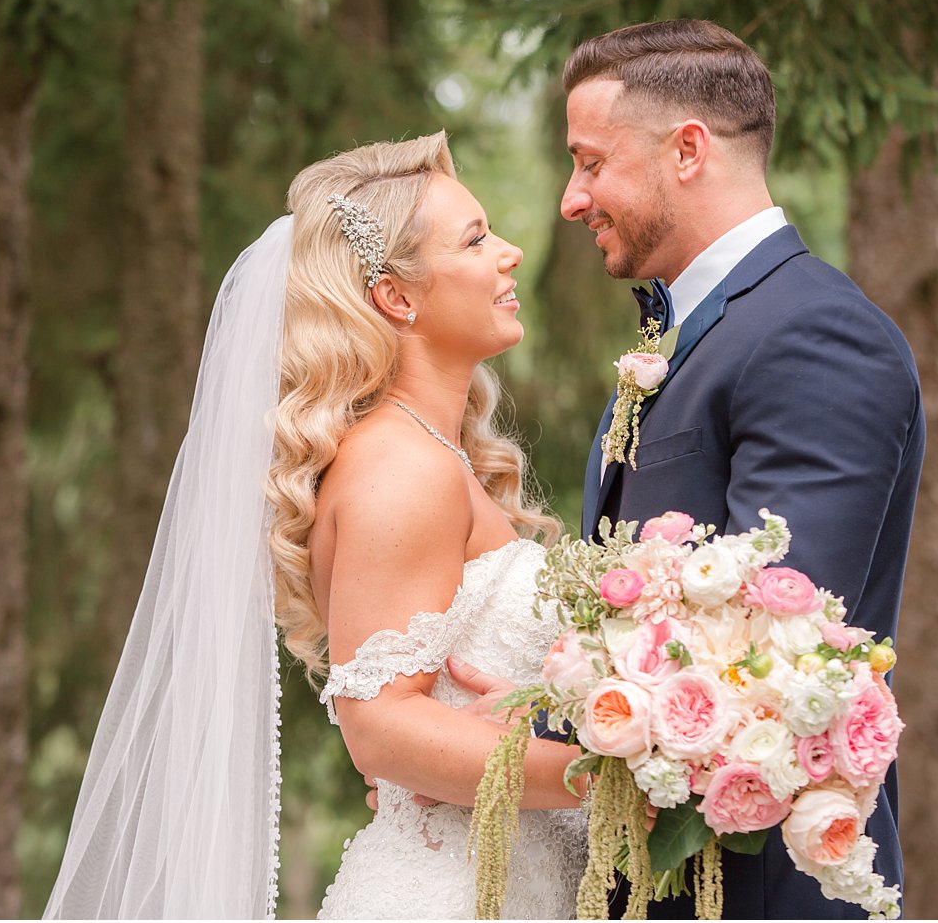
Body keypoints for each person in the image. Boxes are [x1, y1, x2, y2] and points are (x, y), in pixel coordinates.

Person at [42, 132, 588, 920]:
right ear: (398, 297)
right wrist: (599, 775)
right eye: (475, 239)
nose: (508, 254)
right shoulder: (402, 467)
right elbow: (382, 730)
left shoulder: (431, 453)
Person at [562, 19, 922, 918]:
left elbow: (773, 659)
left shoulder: (813, 334)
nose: (573, 199)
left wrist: (507, 753)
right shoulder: (687, 338)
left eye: (590, 161)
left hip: (758, 891)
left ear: (687, 150)